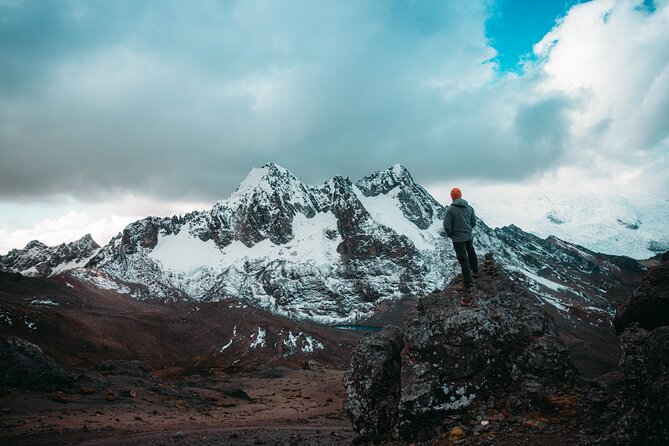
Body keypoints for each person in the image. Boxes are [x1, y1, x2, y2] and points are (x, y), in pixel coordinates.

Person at [443, 187, 479, 297]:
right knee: (471, 252)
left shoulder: (450, 210)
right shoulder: (469, 208)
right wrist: (468, 229)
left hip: (458, 238)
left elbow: (446, 225)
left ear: (451, 197)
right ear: (460, 195)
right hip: (468, 235)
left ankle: (468, 283)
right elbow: (473, 222)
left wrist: (451, 234)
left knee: (463, 259)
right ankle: (476, 271)